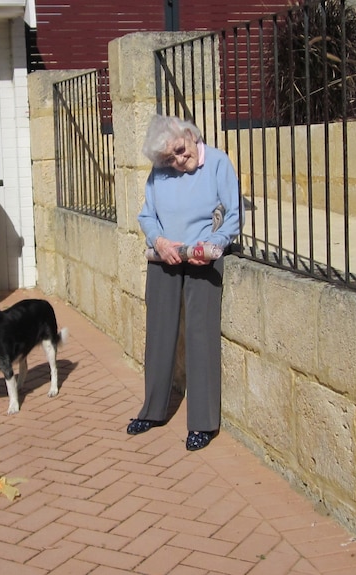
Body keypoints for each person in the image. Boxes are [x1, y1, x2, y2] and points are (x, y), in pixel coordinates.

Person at [127, 114, 242, 451]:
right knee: (159, 332)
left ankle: (203, 423)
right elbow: (147, 215)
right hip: (165, 255)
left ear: (192, 136)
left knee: (200, 334)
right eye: (168, 158)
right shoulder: (160, 170)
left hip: (202, 256)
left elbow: (232, 215)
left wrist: (211, 246)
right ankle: (153, 410)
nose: (177, 160)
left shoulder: (218, 163)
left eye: (179, 151)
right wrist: (159, 241)